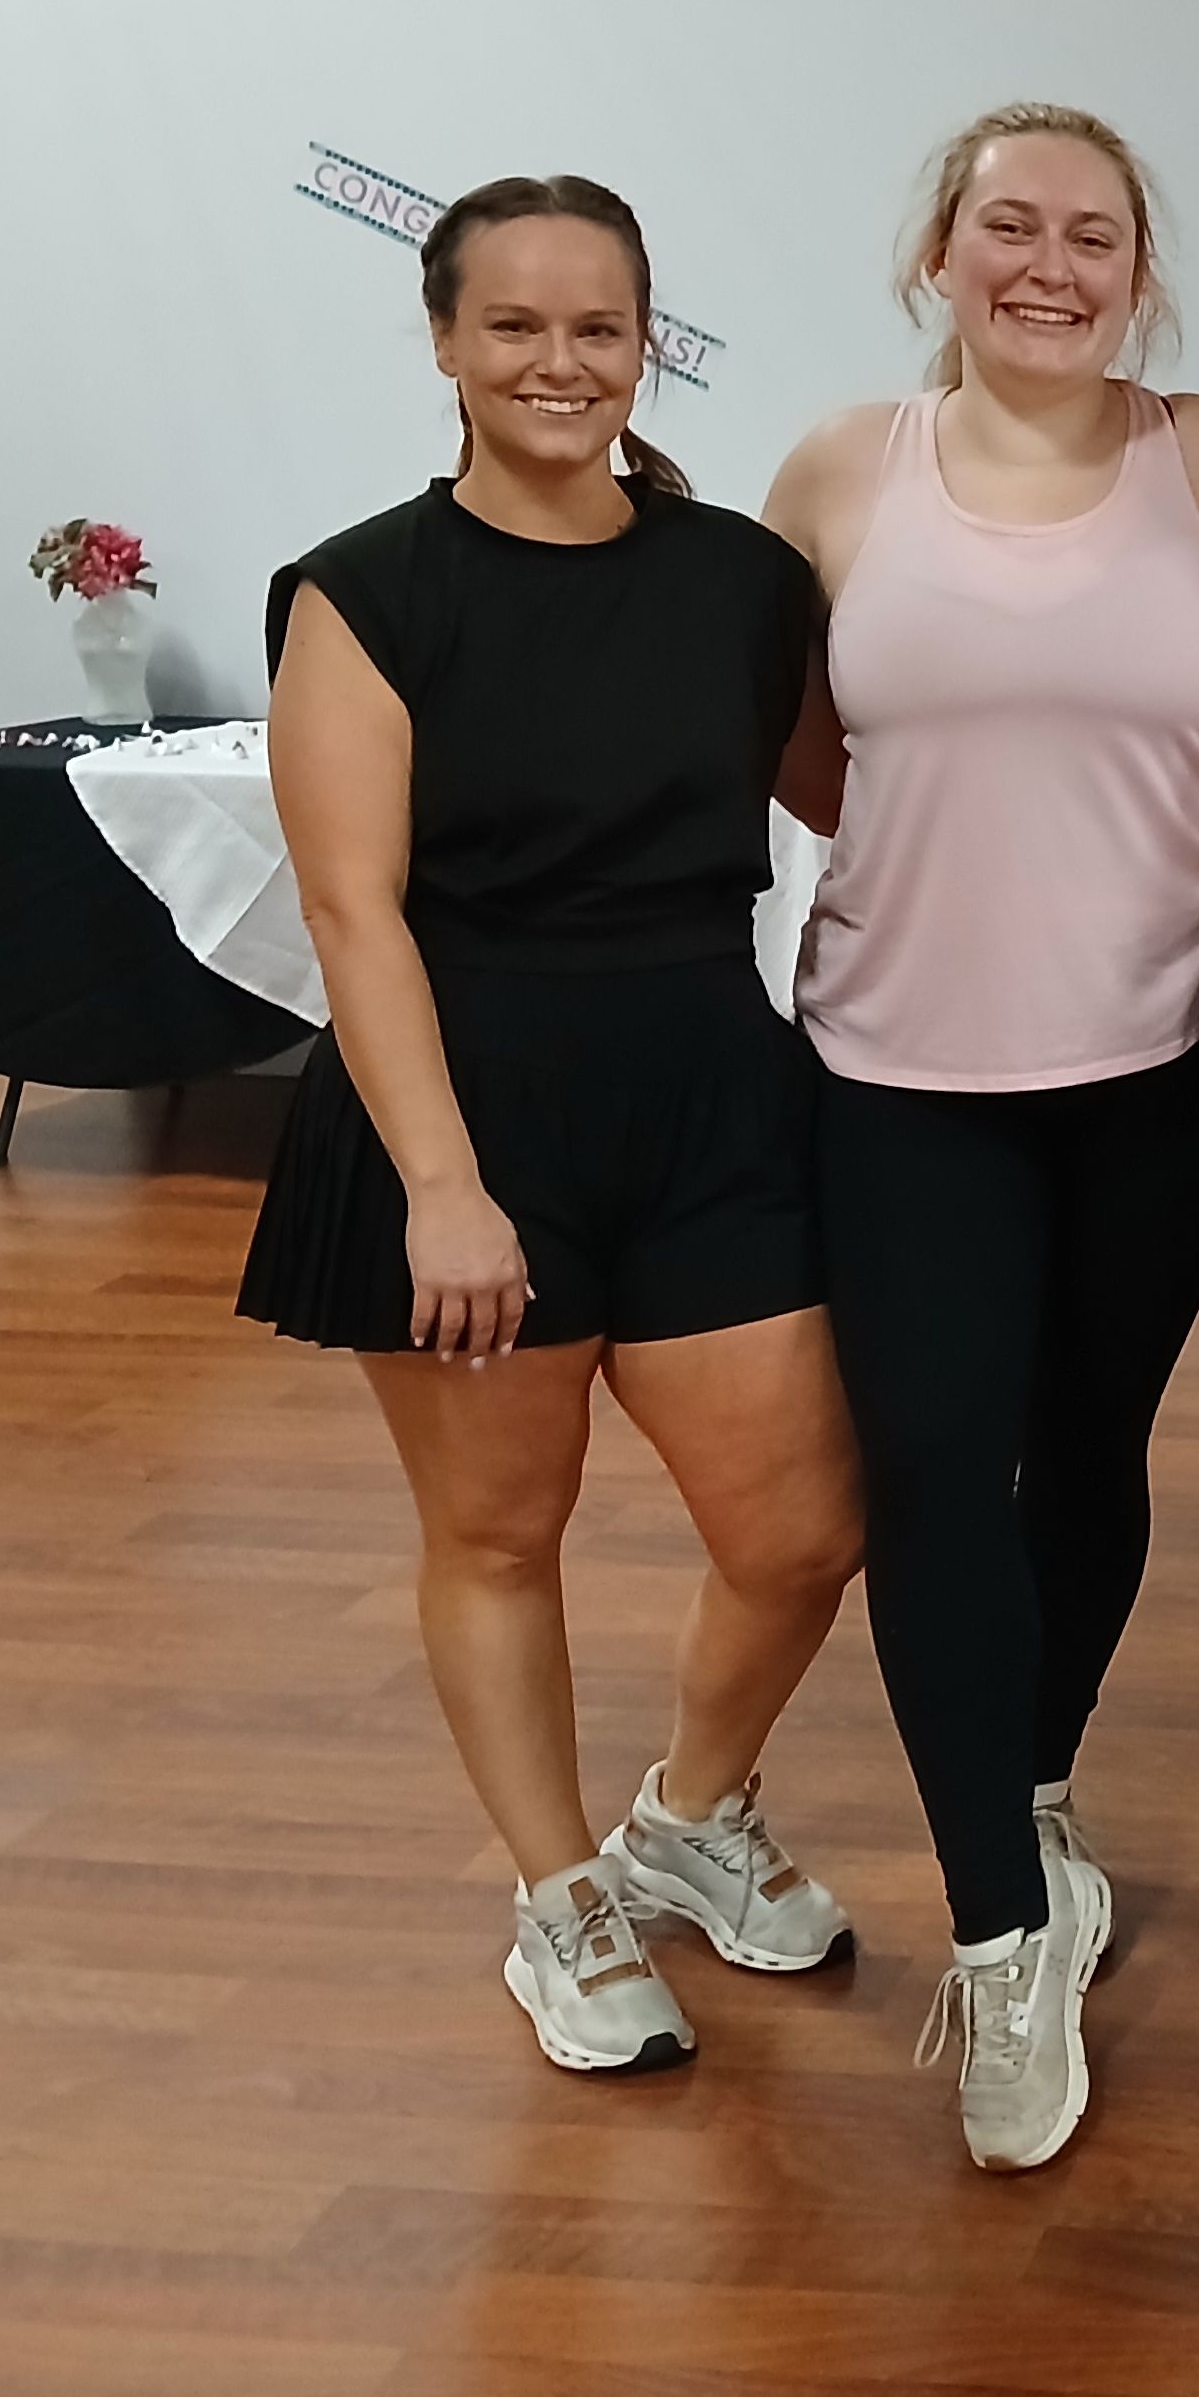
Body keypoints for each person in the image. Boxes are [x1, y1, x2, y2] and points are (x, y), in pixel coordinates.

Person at [241, 175, 860, 2076]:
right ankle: (555, 1894)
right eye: (513, 324)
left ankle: (685, 1817)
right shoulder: (365, 592)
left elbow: (860, 790)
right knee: (505, 1534)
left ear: (645, 342)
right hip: (463, 1117)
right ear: (443, 342)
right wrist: (442, 1186)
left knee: (806, 1530)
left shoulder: (746, 581)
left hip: (708, 1088)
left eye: (598, 326)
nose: (558, 361)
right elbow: (353, 910)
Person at [764, 104, 1199, 2172]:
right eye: (1008, 228)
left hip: (1169, 1067)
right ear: (937, 255)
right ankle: (998, 1930)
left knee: (1090, 1455)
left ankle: (1038, 1789)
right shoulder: (838, 470)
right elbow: (804, 751)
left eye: (1092, 234)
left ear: (1138, 269)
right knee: (932, 1480)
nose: (1048, 264)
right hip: (899, 1072)